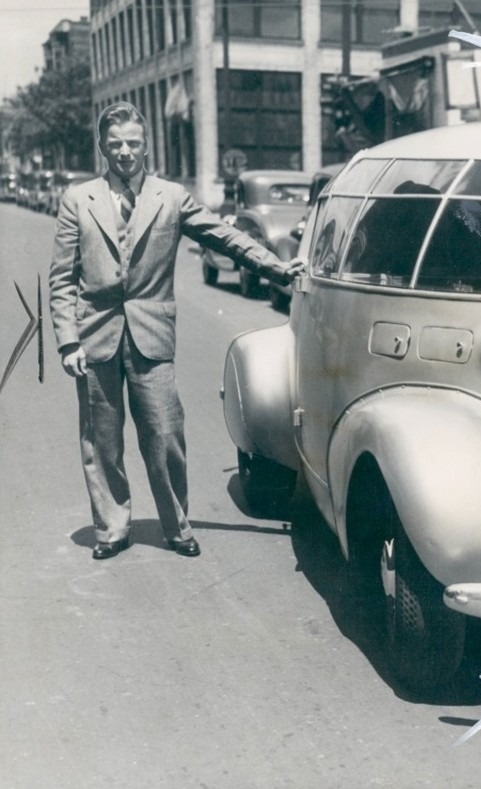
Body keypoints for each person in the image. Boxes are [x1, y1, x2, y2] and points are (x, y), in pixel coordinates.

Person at [49, 101, 303, 560]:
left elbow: (225, 236)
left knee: (166, 433)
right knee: (101, 440)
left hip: (151, 335)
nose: (125, 152)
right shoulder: (78, 200)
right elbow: (62, 277)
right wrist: (68, 341)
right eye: (115, 144)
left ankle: (177, 525)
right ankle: (111, 527)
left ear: (146, 145)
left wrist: (278, 268)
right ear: (103, 147)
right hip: (94, 337)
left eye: (133, 143)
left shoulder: (170, 196)